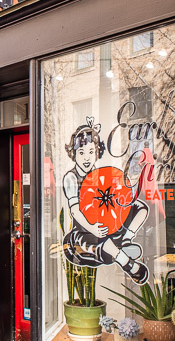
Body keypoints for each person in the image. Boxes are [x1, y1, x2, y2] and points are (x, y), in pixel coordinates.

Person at [61, 117, 150, 284]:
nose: (86, 157)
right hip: (86, 230)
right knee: (98, 239)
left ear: (97, 152)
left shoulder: (99, 172)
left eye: (90, 152)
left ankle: (125, 241)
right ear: (74, 154)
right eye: (81, 153)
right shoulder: (71, 178)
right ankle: (128, 264)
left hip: (109, 223)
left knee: (140, 208)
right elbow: (75, 211)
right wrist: (92, 228)